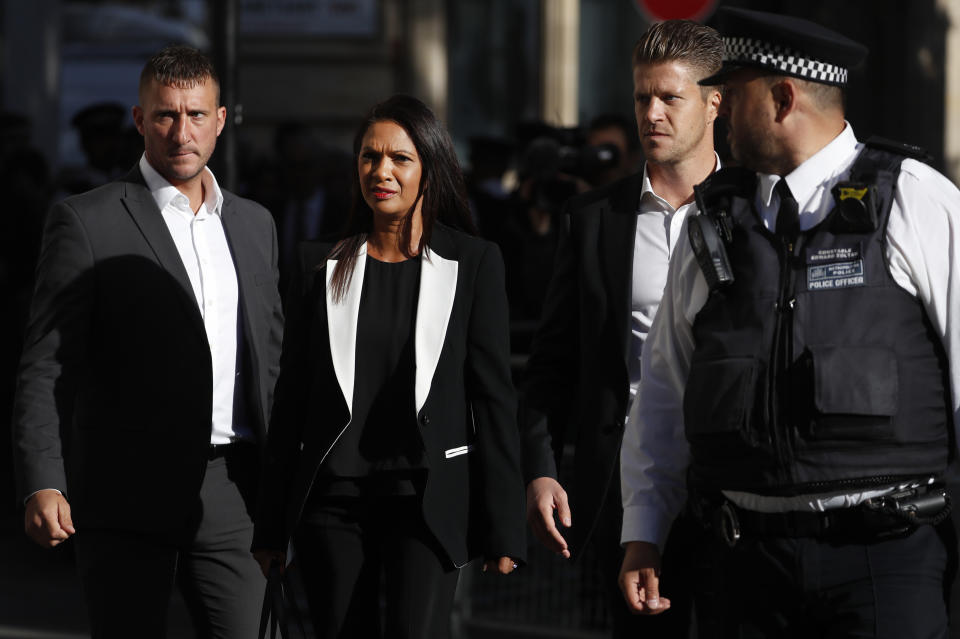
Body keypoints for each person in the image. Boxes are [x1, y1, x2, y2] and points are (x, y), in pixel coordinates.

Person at [620, 7, 960, 637]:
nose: (718, 110)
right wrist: (645, 530)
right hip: (744, 568)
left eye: (735, 91)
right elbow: (665, 391)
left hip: (885, 559)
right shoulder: (710, 225)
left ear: (781, 98)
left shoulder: (913, 199)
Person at [12, 45, 283, 638]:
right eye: (165, 115)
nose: (180, 132)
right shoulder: (87, 221)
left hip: (234, 489)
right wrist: (44, 477)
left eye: (194, 114)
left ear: (220, 119)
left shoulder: (254, 224)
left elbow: (271, 359)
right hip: (123, 490)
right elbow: (48, 363)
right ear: (140, 120)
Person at [252, 94, 526, 639]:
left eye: (400, 158)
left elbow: (492, 398)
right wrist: (271, 527)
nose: (381, 172)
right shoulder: (319, 263)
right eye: (369, 157)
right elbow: (292, 401)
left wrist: (504, 527)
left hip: (427, 502)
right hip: (333, 503)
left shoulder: (472, 263)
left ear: (430, 167)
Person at [520, 20, 722, 636]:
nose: (651, 113)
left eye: (670, 97)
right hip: (625, 486)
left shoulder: (757, 207)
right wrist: (542, 465)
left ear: (714, 102)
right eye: (642, 97)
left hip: (732, 481)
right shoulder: (593, 219)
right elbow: (553, 360)